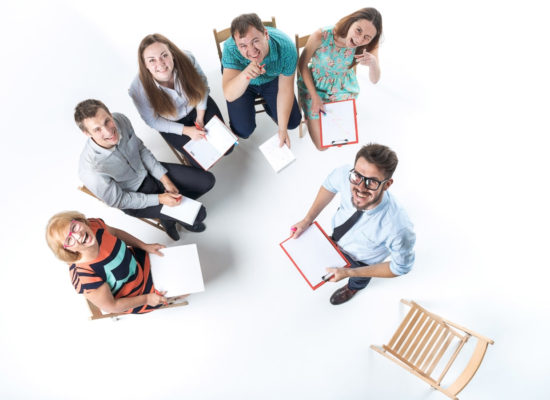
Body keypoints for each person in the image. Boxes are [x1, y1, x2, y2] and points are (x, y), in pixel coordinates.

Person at [291, 143, 415, 305]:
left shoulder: (398, 228)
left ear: (387, 184)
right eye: (357, 176)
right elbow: (329, 185)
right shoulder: (346, 174)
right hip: (335, 239)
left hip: (361, 262)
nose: (360, 188)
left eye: (371, 182)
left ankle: (353, 287)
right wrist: (308, 219)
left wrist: (350, 272)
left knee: (358, 279)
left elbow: (400, 267)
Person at [75, 99, 215, 241]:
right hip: (133, 196)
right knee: (199, 214)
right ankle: (171, 218)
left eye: (107, 121)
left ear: (110, 114)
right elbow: (120, 200)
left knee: (207, 181)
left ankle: (172, 214)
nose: (108, 131)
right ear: (87, 133)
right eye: (97, 129)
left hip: (148, 172)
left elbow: (140, 149)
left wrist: (165, 180)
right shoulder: (90, 169)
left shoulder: (120, 120)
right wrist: (160, 199)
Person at [129, 33, 232, 169]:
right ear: (145, 65)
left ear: (172, 54)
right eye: (152, 60)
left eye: (164, 55)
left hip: (197, 106)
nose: (160, 63)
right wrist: (187, 131)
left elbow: (202, 87)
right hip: (172, 122)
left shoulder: (187, 58)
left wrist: (200, 117)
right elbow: (152, 121)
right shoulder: (137, 89)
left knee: (227, 148)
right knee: (203, 163)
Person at [45, 211, 173, 314]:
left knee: (177, 261)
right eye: (69, 240)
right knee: (183, 289)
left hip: (136, 261)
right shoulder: (86, 276)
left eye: (74, 227)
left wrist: (144, 246)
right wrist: (147, 299)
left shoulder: (94, 226)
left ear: (79, 220)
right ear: (68, 250)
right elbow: (112, 306)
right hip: (136, 294)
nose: (78, 236)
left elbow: (116, 233)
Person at [297, 8, 382, 150]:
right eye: (358, 30)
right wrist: (314, 96)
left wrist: (373, 63)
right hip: (315, 84)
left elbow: (375, 79)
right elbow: (302, 64)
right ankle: (310, 117)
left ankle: (319, 119)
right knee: (322, 146)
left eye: (367, 37)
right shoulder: (322, 35)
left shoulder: (369, 44)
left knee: (338, 141)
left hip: (342, 86)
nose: (360, 39)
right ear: (351, 22)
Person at [221, 13, 302, 147]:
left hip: (271, 78)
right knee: (243, 131)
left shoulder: (286, 48)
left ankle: (270, 106)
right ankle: (268, 103)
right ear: (236, 45)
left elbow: (286, 89)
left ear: (266, 34)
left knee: (292, 122)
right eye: (243, 46)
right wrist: (246, 74)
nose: (252, 51)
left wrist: (282, 130)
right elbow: (229, 95)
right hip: (242, 78)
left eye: (255, 41)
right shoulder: (230, 49)